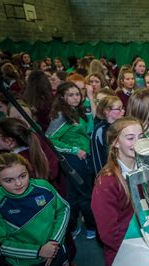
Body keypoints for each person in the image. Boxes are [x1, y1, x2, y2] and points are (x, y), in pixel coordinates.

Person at [0, 153, 77, 266]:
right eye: (9, 180)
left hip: (57, 256)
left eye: (22, 176)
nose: (18, 183)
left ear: (29, 171)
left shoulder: (43, 187)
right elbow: (2, 244)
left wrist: (54, 243)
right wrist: (39, 251)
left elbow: (64, 209)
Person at [92, 118, 144, 266]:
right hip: (124, 253)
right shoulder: (107, 182)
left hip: (146, 244)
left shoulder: (145, 168)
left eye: (141, 137)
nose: (137, 142)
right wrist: (140, 247)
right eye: (130, 138)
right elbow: (109, 234)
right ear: (115, 143)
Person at [46, 81, 96, 240]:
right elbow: (49, 139)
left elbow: (89, 129)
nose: (76, 98)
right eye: (71, 95)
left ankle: (73, 227)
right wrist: (74, 150)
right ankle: (91, 227)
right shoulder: (62, 115)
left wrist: (89, 100)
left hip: (81, 159)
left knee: (74, 195)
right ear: (62, 97)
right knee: (85, 194)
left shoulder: (75, 111)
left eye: (77, 94)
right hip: (73, 160)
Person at [91, 96, 125, 175]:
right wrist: (100, 176)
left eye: (123, 108)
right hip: (107, 172)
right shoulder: (100, 129)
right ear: (107, 111)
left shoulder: (121, 126)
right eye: (119, 109)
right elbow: (97, 157)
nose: (123, 111)